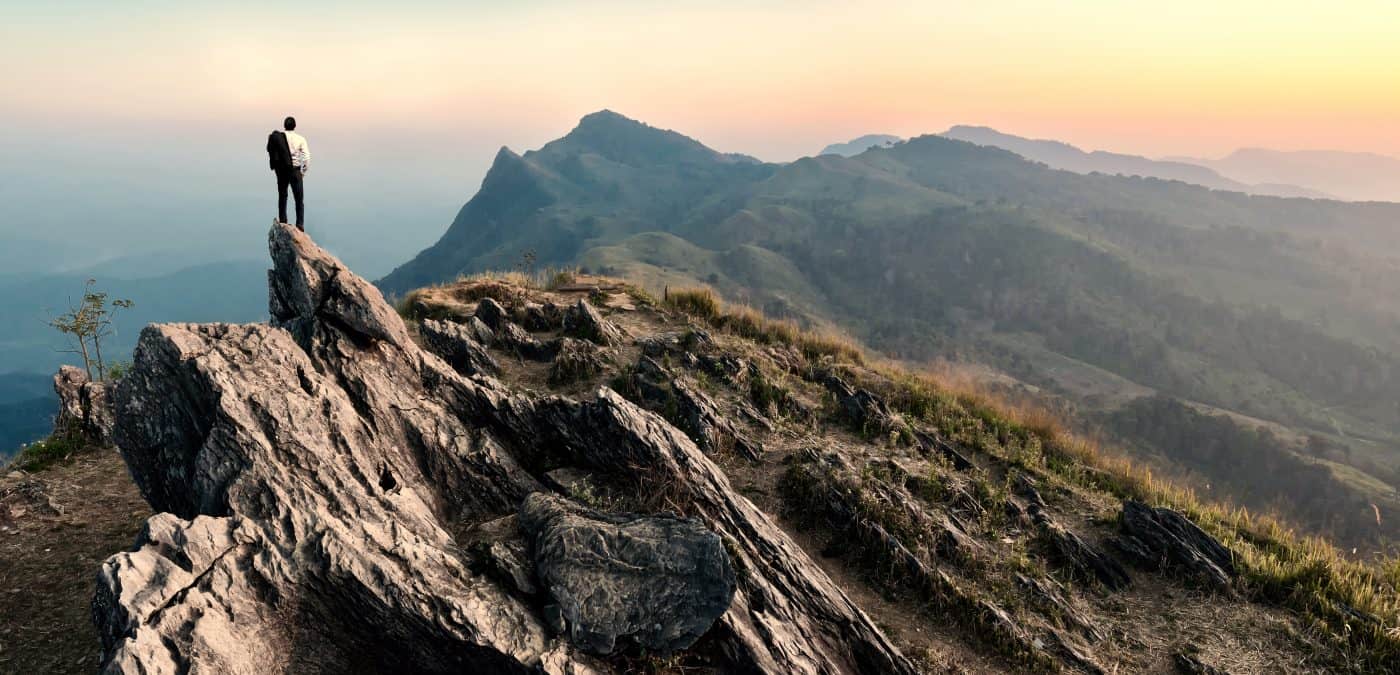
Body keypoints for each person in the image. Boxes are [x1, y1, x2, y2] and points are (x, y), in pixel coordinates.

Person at [266, 116, 311, 230]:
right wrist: (303, 172)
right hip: (295, 170)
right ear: (294, 126)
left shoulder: (279, 138)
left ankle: (283, 221)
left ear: (284, 126)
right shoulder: (300, 139)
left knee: (282, 195)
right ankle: (299, 225)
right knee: (299, 199)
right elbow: (306, 157)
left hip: (281, 170)